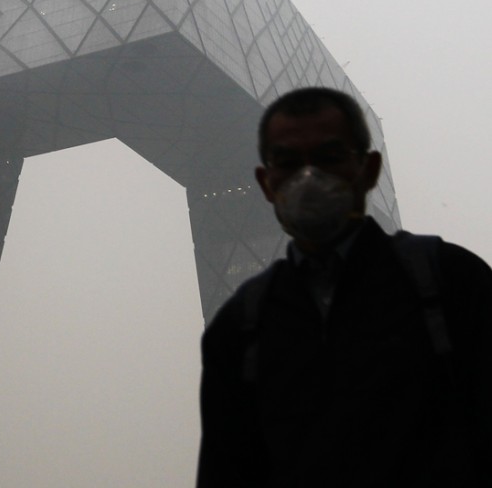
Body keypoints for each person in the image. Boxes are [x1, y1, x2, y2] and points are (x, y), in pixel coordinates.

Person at [196, 87, 492, 487]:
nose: (308, 177)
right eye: (287, 162)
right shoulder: (237, 328)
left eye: (329, 158)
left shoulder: (450, 281)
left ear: (368, 170)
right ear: (266, 182)